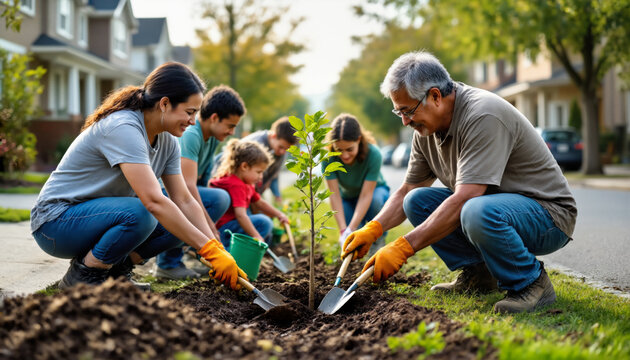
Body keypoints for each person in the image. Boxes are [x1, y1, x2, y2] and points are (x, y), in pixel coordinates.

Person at [342, 51, 577, 314]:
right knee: (416, 201)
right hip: (497, 209)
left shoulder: (482, 115)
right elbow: (408, 188)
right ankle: (480, 275)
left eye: (408, 111)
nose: (405, 121)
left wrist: (403, 247)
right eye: (399, 112)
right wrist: (373, 228)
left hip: (547, 215)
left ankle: (531, 283)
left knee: (475, 210)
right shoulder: (425, 128)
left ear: (435, 96)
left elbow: (468, 196)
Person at [30, 62, 246, 291]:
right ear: (164, 104)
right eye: (189, 112)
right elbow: (153, 201)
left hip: (95, 218)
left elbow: (183, 199)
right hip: (55, 223)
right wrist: (207, 251)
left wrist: (216, 249)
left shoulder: (169, 141)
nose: (193, 121)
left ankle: (116, 274)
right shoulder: (123, 127)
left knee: (178, 220)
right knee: (144, 211)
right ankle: (84, 277)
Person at [153, 85, 245, 280]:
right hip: (164, 193)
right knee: (219, 199)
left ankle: (187, 255)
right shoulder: (191, 134)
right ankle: (168, 263)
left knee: (216, 199)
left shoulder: (211, 138)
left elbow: (202, 182)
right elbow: (187, 186)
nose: (232, 132)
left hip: (182, 194)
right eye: (230, 125)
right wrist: (209, 227)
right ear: (214, 118)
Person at [321, 114, 389, 255]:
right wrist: (344, 230)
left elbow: (366, 195)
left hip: (374, 192)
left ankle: (378, 241)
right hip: (348, 197)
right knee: (354, 236)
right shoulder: (327, 158)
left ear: (358, 139)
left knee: (375, 202)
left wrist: (350, 228)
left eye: (349, 149)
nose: (344, 155)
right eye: (339, 150)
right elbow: (334, 195)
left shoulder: (374, 154)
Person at [210, 139, 290, 248]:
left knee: (264, 221)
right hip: (223, 231)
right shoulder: (236, 185)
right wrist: (256, 236)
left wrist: (279, 215)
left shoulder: (245, 183)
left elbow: (260, 203)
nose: (261, 177)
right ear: (244, 167)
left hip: (230, 227)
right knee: (263, 222)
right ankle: (231, 252)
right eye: (258, 172)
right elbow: (241, 215)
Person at [242, 116, 299, 204]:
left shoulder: (280, 152)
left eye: (287, 149)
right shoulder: (256, 145)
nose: (283, 152)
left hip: (254, 194)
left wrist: (277, 196)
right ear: (273, 135)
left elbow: (274, 176)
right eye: (281, 147)